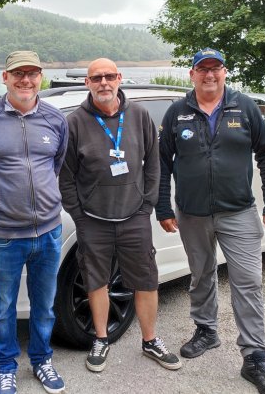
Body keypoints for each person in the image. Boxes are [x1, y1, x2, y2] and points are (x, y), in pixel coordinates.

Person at [156, 48, 265, 394]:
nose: (209, 75)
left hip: (239, 211)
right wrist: (163, 208)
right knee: (201, 274)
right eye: (203, 69)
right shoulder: (177, 112)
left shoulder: (244, 108)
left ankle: (255, 357)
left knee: (248, 282)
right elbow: (161, 163)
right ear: (192, 74)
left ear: (225, 72)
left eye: (215, 68)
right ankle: (206, 331)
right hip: (192, 212)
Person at [59, 58, 182, 374]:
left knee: (146, 280)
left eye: (109, 76)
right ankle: (101, 339)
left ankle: (150, 340)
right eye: (96, 77)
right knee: (95, 281)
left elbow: (154, 164)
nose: (103, 83)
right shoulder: (75, 122)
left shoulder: (139, 116)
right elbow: (66, 175)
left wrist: (147, 206)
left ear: (119, 79)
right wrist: (80, 215)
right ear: (87, 82)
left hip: (134, 218)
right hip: (93, 220)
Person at [0, 51, 68, 394]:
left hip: (50, 231)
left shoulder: (54, 118)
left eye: (32, 73)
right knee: (4, 306)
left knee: (44, 304)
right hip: (5, 234)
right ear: (4, 77)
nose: (26, 80)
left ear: (41, 77)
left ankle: (41, 360)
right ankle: (6, 366)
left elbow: (56, 166)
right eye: (18, 73)